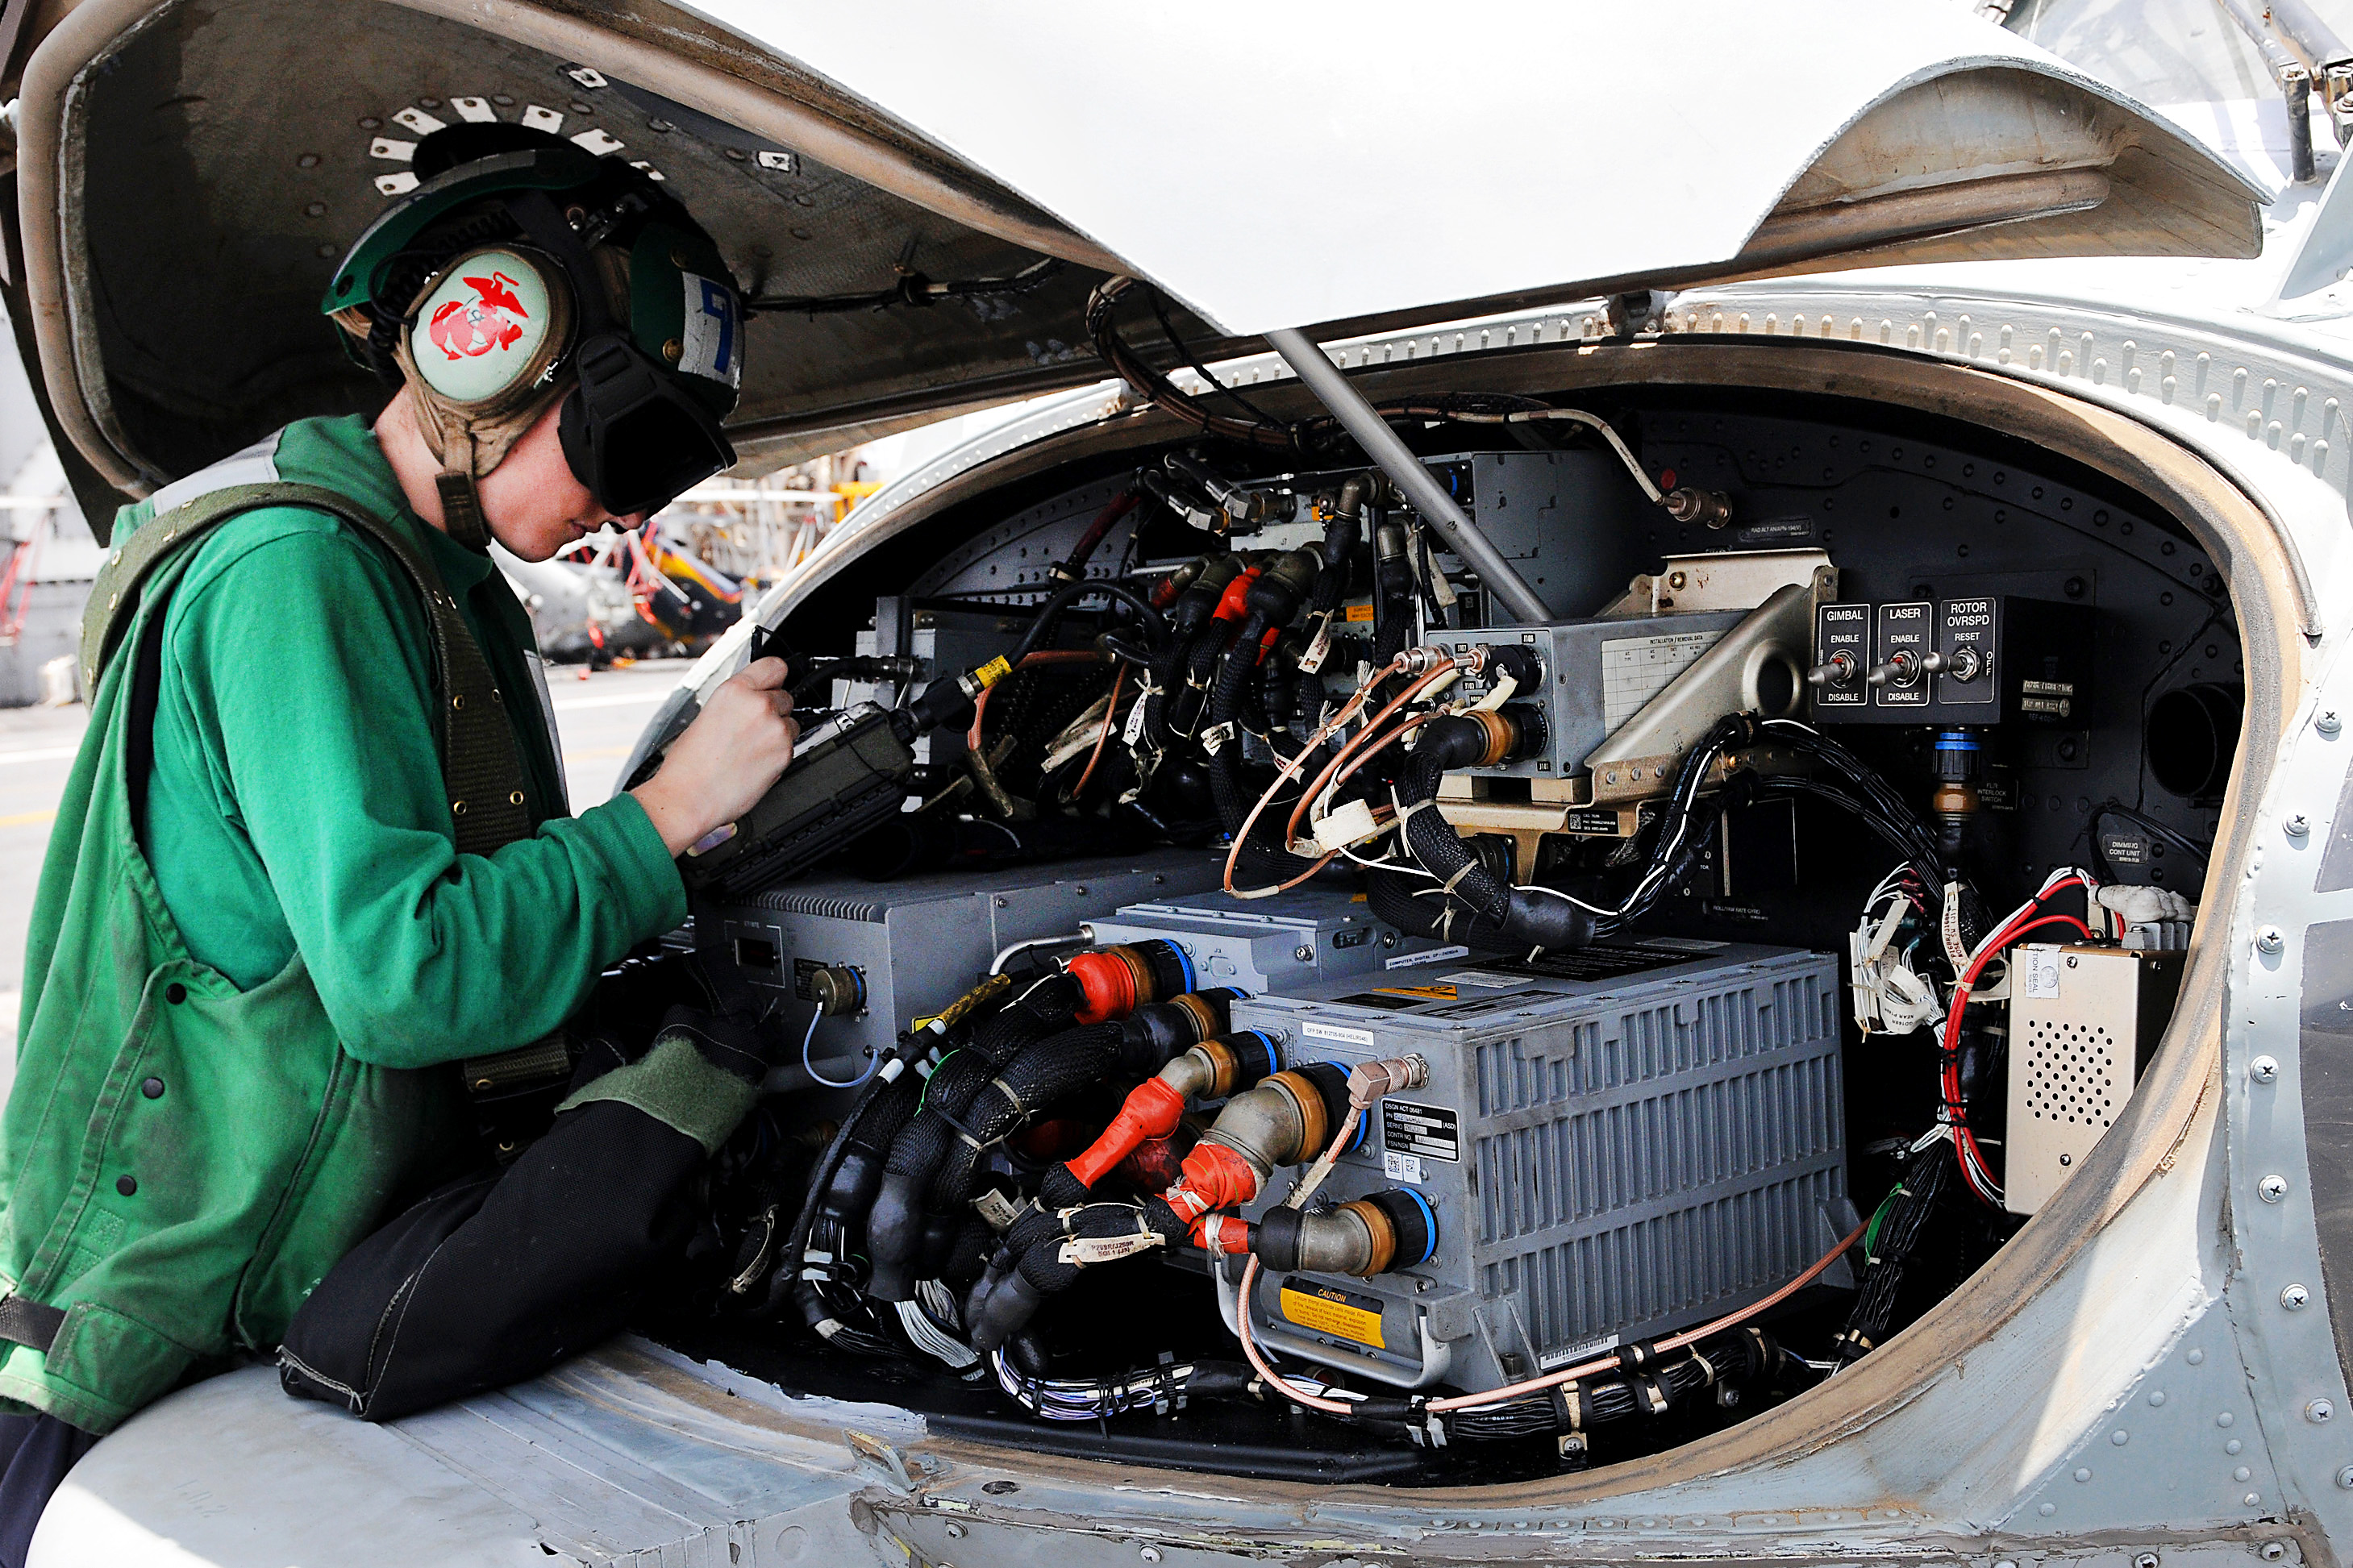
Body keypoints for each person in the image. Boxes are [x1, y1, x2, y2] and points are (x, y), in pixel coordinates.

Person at [0, 128, 793, 1557]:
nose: (630, 505)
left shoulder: (440, 578)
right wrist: (662, 819)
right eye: (628, 437)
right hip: (139, 1342)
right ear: (488, 353)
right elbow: (404, 977)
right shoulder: (295, 571)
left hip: (305, 1288)